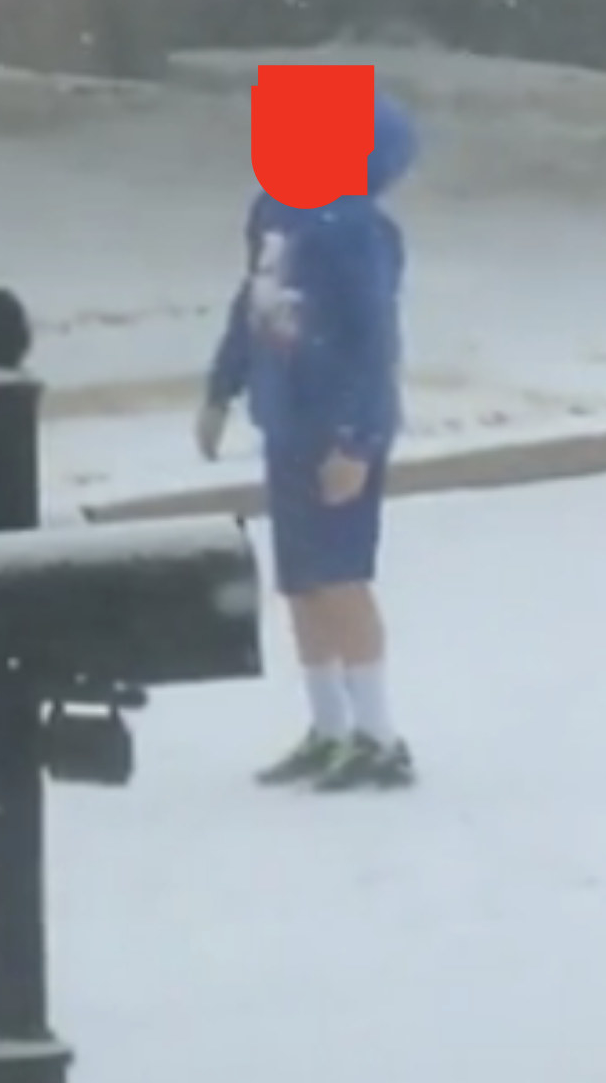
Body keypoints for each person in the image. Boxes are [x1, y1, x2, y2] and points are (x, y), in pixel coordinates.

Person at [195, 87, 419, 792]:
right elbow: (252, 304)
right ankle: (328, 727)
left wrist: (355, 440)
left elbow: (372, 341)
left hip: (337, 427)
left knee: (341, 576)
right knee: (301, 581)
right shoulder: (275, 216)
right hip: (284, 417)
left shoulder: (358, 233)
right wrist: (221, 387)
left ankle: (379, 736)